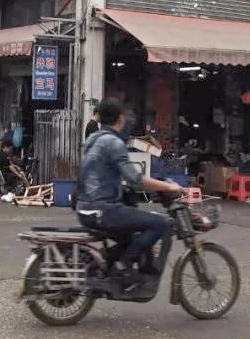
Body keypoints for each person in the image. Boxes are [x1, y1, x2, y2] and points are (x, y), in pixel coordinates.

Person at [75, 98, 184, 283]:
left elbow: (103, 174)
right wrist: (169, 186)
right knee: (160, 224)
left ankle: (109, 261)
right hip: (103, 209)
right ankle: (122, 265)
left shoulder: (93, 140)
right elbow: (136, 179)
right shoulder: (114, 143)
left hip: (85, 208)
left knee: (133, 229)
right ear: (119, 119)